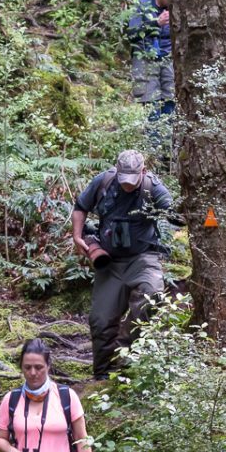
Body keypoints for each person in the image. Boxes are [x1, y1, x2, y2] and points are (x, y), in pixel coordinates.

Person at [71, 148, 172, 380]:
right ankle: (102, 375)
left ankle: (125, 354)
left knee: (152, 295)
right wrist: (77, 236)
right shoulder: (104, 182)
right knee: (101, 319)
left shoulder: (152, 187)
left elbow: (172, 210)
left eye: (132, 179)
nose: (127, 184)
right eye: (123, 178)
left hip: (143, 258)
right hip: (110, 261)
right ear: (117, 171)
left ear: (143, 171)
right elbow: (80, 207)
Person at [125, 0, 174, 117]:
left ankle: (168, 136)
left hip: (168, 59)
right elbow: (132, 34)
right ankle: (153, 137)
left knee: (171, 99)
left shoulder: (176, 8)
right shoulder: (141, 6)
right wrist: (156, 23)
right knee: (150, 102)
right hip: (145, 59)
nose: (172, 1)